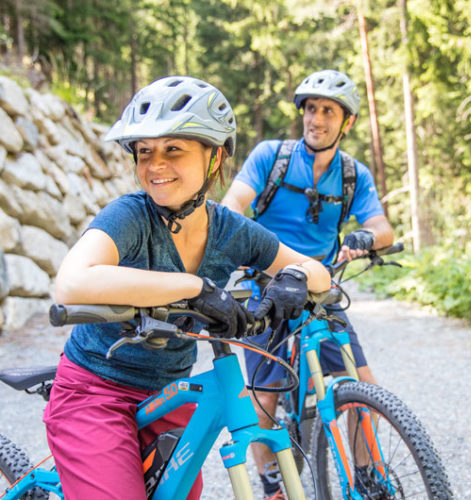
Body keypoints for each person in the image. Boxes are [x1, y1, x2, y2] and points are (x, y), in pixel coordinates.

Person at [43, 75, 331, 500]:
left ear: (215, 157)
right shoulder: (131, 216)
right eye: (144, 152)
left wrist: (294, 279)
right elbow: (70, 283)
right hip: (95, 390)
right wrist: (192, 287)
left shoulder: (231, 230)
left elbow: (316, 271)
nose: (155, 164)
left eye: (173, 149)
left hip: (167, 395)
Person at [221, 69, 394, 500]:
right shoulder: (270, 156)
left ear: (346, 122)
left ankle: (368, 479)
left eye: (328, 111)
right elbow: (234, 202)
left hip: (319, 291)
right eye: (311, 109)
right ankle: (272, 486)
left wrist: (365, 237)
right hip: (265, 288)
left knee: (363, 387)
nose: (316, 119)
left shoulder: (353, 174)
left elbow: (382, 228)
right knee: (263, 400)